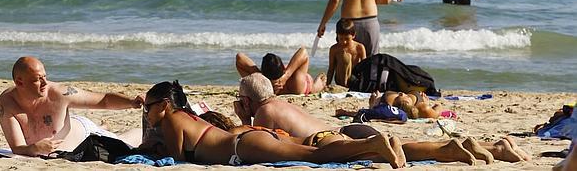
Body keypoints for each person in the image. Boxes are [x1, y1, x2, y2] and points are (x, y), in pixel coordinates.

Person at [143, 80, 404, 167]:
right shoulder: (188, 117)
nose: (146, 112)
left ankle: (373, 143)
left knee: (316, 156)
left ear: (165, 105)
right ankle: (379, 147)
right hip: (247, 141)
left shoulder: (171, 121)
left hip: (242, 148)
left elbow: (178, 161)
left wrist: (154, 149)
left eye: (149, 106)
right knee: (315, 154)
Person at [201, 110, 530, 165]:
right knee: (405, 150)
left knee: (380, 152)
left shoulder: (238, 133)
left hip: (326, 142)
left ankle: (452, 150)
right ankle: (488, 146)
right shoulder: (263, 119)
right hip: (332, 133)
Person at [0, 56, 144, 156]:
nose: (45, 83)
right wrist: (34, 148)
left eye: (45, 77)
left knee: (123, 140)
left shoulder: (59, 94)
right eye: (37, 80)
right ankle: (102, 126)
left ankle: (105, 129)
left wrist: (130, 102)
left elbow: (103, 100)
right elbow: (17, 148)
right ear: (20, 82)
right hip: (69, 126)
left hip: (84, 133)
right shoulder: (7, 104)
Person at [235, 47, 326, 95]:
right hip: (295, 78)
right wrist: (259, 75)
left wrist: (286, 76)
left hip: (303, 81)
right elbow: (303, 51)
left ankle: (320, 81)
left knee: (313, 89)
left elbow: (239, 57)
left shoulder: (262, 85)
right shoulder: (295, 84)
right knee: (311, 88)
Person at [336, 90, 443, 119]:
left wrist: (373, 106)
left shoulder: (391, 109)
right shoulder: (423, 108)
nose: (400, 92)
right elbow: (439, 108)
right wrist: (428, 104)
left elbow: (367, 113)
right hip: (420, 100)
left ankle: (375, 103)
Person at [326, 19, 366, 87]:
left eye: (347, 39)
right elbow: (331, 69)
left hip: (354, 78)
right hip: (340, 79)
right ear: (337, 35)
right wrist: (327, 84)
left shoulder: (359, 47)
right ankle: (345, 85)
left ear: (353, 35)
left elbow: (365, 68)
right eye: (341, 38)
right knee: (345, 57)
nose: (344, 42)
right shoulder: (334, 49)